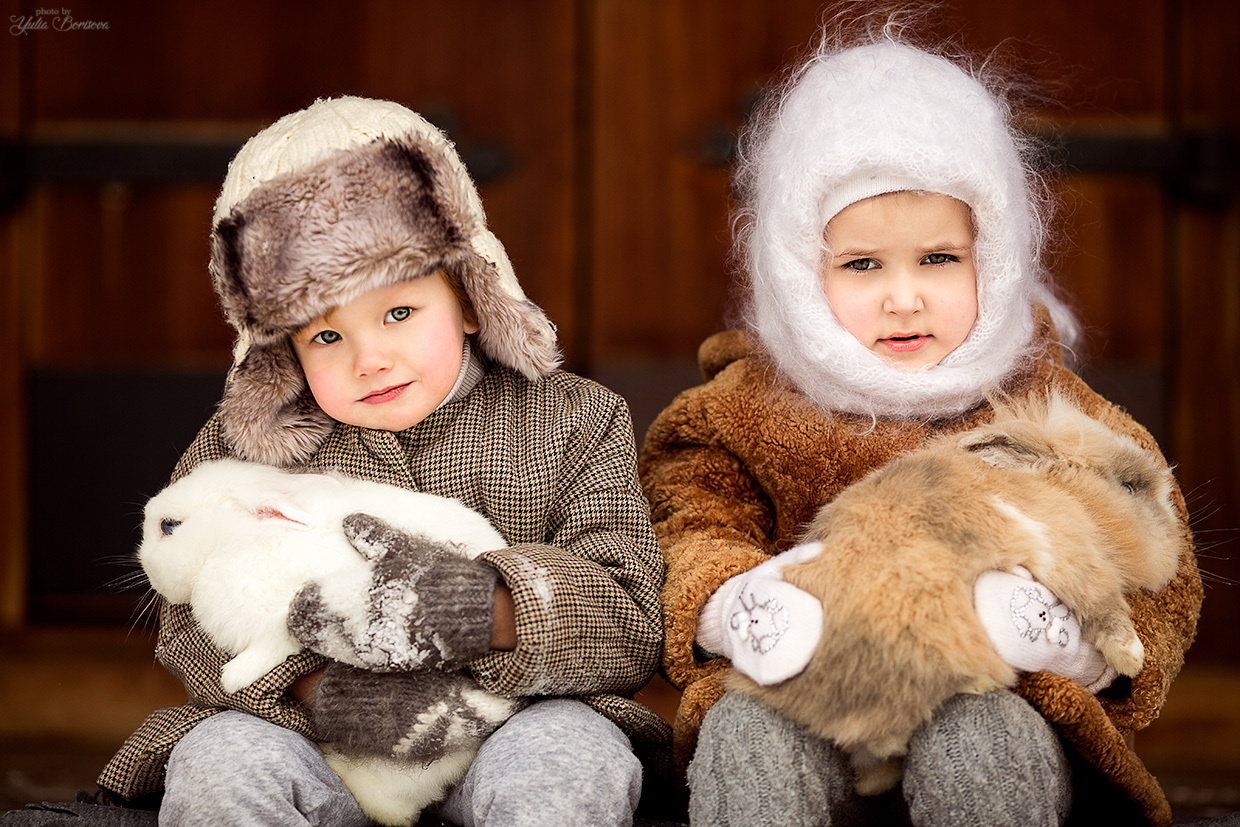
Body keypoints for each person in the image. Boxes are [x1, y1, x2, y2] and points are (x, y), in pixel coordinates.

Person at [639, 26, 1202, 827]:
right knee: (746, 735)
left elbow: (1153, 541)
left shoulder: (1043, 403)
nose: (904, 298)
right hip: (809, 690)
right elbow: (686, 520)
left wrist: (1069, 638)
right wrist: (739, 600)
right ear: (802, 271)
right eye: (863, 264)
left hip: (989, 687)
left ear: (994, 255)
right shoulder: (743, 408)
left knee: (987, 741)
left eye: (939, 259)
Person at [96, 96, 669, 827]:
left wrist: (479, 609)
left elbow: (629, 613)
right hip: (315, 741)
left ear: (467, 296)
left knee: (571, 757)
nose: (371, 359)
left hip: (505, 723)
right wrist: (314, 688)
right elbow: (187, 623)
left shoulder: (573, 419)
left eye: (399, 313)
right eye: (325, 338)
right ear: (281, 351)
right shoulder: (242, 453)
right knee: (218, 763)